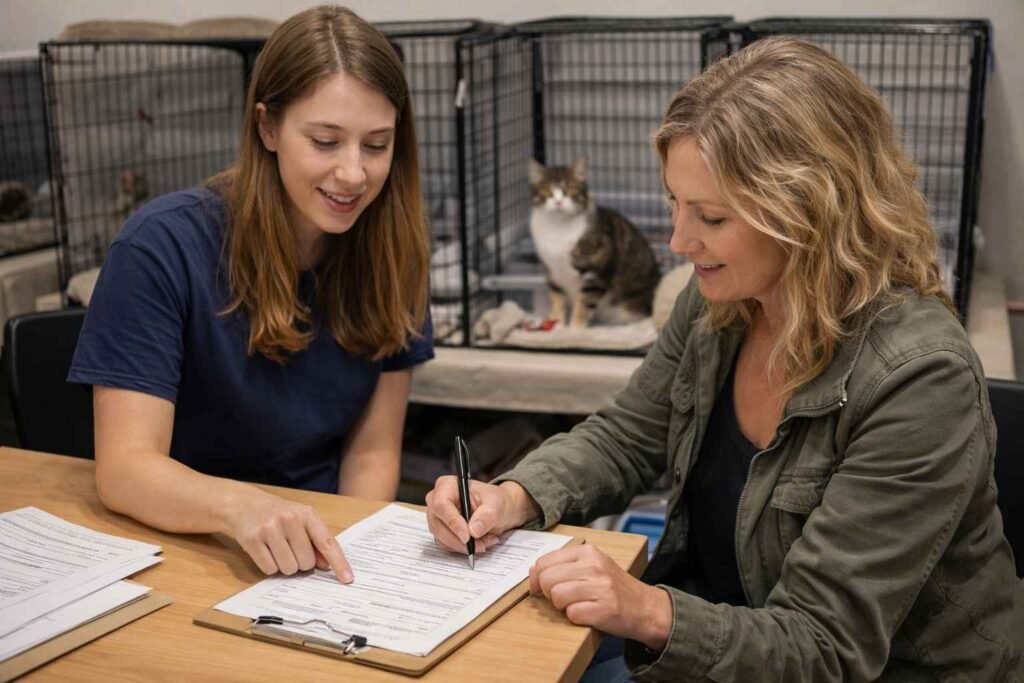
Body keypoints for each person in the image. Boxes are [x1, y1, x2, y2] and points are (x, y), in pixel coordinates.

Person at [426, 36, 1022, 681]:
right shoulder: (722, 299)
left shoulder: (919, 377)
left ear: (808, 213)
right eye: (675, 206)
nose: (680, 241)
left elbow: (825, 646)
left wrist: (650, 612)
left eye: (710, 216)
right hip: (724, 632)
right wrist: (515, 496)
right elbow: (629, 434)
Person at [69, 6, 433, 585]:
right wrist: (244, 508)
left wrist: (357, 560)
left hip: (315, 554)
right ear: (267, 128)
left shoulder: (396, 253)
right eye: (325, 141)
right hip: (184, 545)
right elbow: (125, 469)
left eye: (377, 145)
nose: (353, 174)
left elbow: (372, 453)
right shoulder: (162, 245)